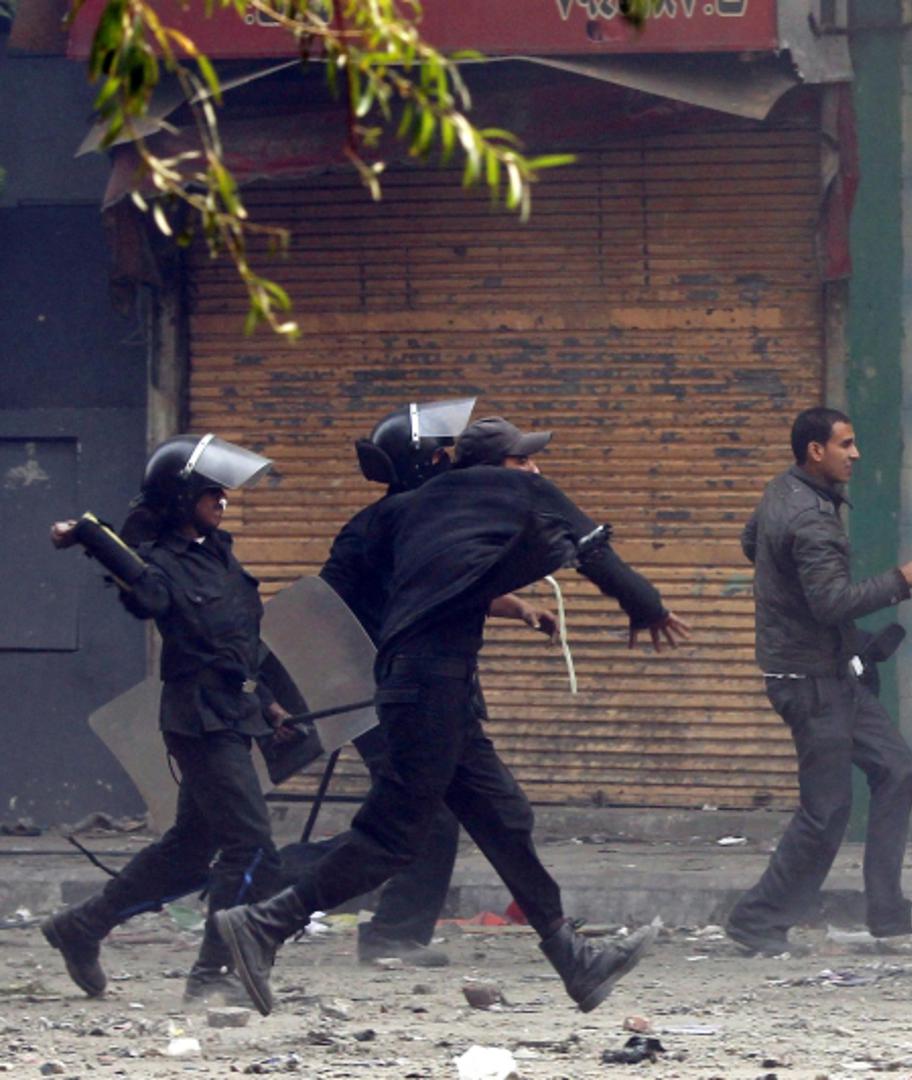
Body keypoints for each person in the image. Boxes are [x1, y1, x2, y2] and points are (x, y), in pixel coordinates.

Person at [213, 417, 690, 1017]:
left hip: (430, 688)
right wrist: (647, 605)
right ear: (494, 468)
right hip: (427, 689)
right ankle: (264, 924)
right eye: (522, 460)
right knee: (393, 838)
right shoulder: (515, 492)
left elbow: (401, 580)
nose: (534, 469)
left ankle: (573, 958)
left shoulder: (405, 512)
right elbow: (592, 549)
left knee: (505, 816)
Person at [43, 434, 291, 1005]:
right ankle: (212, 975)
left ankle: (80, 927)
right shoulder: (160, 564)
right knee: (252, 847)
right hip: (199, 721)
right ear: (180, 498)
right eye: (210, 493)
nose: (223, 500)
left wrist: (270, 701)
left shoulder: (218, 553)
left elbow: (237, 641)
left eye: (224, 492)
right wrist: (91, 535)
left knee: (189, 851)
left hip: (234, 712)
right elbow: (146, 596)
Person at [310, 400, 556, 968]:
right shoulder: (386, 525)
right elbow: (325, 610)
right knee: (418, 817)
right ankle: (276, 885)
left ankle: (390, 932)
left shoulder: (429, 517)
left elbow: (453, 584)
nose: (454, 461)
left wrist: (518, 608)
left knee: (461, 814)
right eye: (445, 453)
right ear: (427, 462)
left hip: (426, 693)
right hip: (390, 694)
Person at [724, 406, 912, 956]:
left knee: (896, 769)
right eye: (846, 444)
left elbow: (751, 542)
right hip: (809, 680)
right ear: (816, 451)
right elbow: (831, 602)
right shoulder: (811, 518)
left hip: (829, 672)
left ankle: (887, 914)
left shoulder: (782, 491)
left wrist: (783, 588)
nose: (855, 454)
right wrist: (899, 581)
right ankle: (756, 920)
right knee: (828, 809)